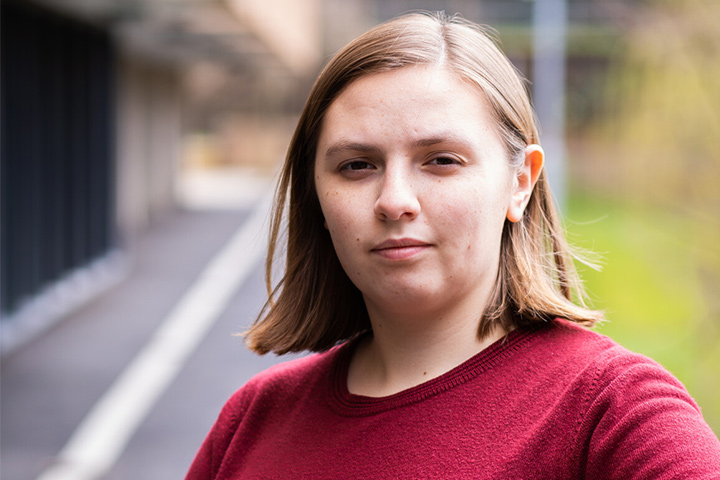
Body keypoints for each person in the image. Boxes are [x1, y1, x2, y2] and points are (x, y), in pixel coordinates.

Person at [186, 12, 720, 479]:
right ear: (317, 195)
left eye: (441, 160)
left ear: (520, 183)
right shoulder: (254, 419)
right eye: (357, 166)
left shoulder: (615, 411)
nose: (394, 200)